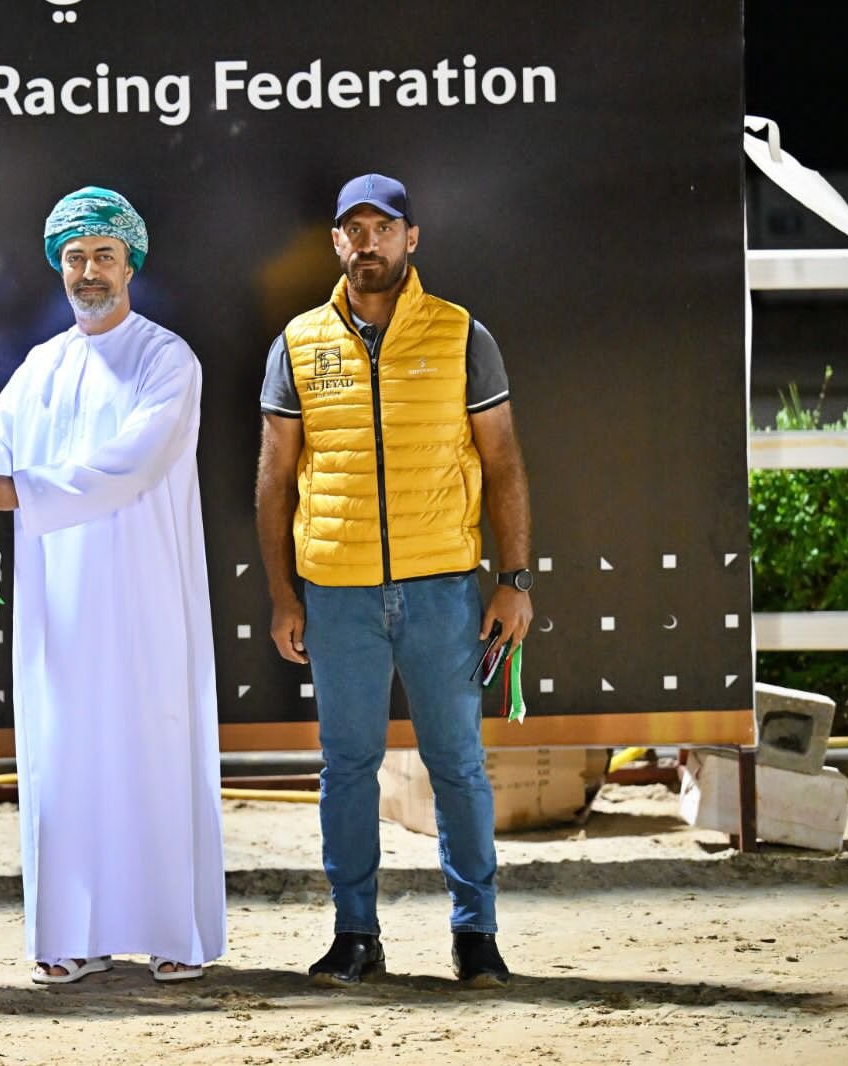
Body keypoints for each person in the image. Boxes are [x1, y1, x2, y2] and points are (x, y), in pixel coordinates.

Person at [0, 187, 225, 984]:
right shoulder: (42, 365)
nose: (90, 272)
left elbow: (136, 461)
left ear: (131, 265)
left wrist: (26, 491)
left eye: (104, 256)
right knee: (67, 756)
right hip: (61, 602)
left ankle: (173, 934)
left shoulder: (166, 359)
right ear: (60, 267)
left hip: (146, 593)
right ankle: (73, 936)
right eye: (76, 257)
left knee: (155, 748)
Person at [255, 173, 534, 989]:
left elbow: (504, 462)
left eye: (384, 227)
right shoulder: (299, 342)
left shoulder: (461, 334)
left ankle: (476, 937)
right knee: (346, 767)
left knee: (457, 765)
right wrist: (283, 596)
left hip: (442, 589)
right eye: (354, 229)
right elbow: (274, 479)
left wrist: (514, 579)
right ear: (336, 242)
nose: (368, 242)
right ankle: (355, 935)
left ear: (412, 238)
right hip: (336, 593)